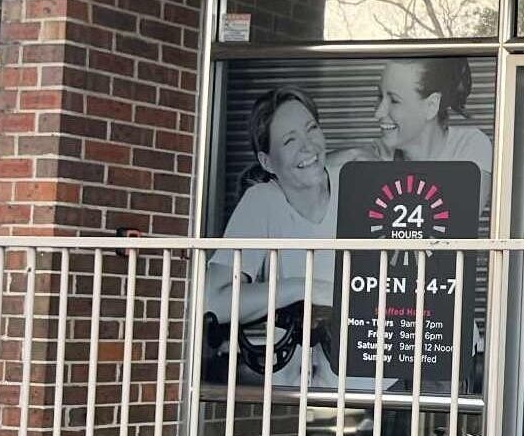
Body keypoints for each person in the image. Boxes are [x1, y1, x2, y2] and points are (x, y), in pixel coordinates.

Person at [206, 87, 349, 388]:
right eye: (289, 140)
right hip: (295, 391)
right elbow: (214, 301)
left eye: (312, 129)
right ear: (267, 162)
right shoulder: (262, 201)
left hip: (377, 387)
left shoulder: (359, 185)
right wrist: (307, 289)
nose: (308, 147)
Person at [363, 59, 494, 195]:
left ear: (431, 106)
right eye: (380, 96)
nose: (378, 113)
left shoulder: (469, 146)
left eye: (394, 101)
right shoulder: (375, 154)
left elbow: (456, 212)